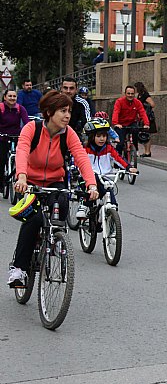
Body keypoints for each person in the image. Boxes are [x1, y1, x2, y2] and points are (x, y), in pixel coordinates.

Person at [7, 91, 99, 288]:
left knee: (63, 203)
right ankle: (19, 269)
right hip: (30, 181)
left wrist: (91, 184)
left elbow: (81, 158)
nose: (67, 115)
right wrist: (21, 176)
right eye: (62, 111)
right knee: (34, 220)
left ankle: (55, 240)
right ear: (49, 112)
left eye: (69, 111)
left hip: (55, 181)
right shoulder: (33, 128)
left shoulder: (69, 133)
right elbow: (22, 151)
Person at [75, 118, 137, 220]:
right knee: (92, 187)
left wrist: (129, 167)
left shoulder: (108, 148)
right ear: (91, 136)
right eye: (98, 136)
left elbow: (119, 158)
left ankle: (112, 228)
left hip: (105, 179)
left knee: (113, 203)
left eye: (104, 136)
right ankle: (84, 206)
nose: (102, 139)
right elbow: (78, 160)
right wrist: (75, 169)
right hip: (88, 180)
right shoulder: (85, 149)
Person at [1, 89, 29, 192]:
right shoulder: (1, 108)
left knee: (20, 158)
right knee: (2, 159)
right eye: (10, 96)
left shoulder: (20, 109)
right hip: (2, 137)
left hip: (16, 136)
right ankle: (1, 183)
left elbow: (27, 123)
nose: (12, 98)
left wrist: (27, 133)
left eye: (14, 96)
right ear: (5, 97)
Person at [111, 85, 150, 155]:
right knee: (120, 143)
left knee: (135, 130)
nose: (130, 95)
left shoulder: (137, 102)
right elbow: (116, 112)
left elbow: (142, 113)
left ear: (134, 94)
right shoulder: (119, 102)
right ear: (125, 93)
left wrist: (146, 124)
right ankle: (117, 163)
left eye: (132, 94)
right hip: (121, 124)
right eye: (128, 93)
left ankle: (135, 147)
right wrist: (116, 123)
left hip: (131, 123)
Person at [133, 82, 155, 157]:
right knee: (143, 134)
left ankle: (148, 152)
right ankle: (146, 151)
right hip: (141, 117)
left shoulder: (145, 95)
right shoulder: (139, 95)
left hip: (147, 117)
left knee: (146, 134)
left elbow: (152, 104)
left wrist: (144, 107)